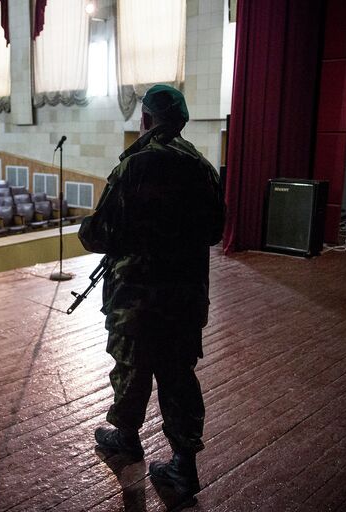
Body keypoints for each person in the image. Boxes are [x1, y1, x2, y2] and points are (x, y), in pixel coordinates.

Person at [77, 84, 225, 506]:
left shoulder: (135, 166)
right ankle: (183, 465)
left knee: (132, 367)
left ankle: (125, 437)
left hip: (138, 296)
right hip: (184, 297)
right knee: (178, 376)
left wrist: (91, 230)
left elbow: (100, 233)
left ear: (145, 119)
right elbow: (215, 232)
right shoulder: (203, 168)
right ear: (181, 121)